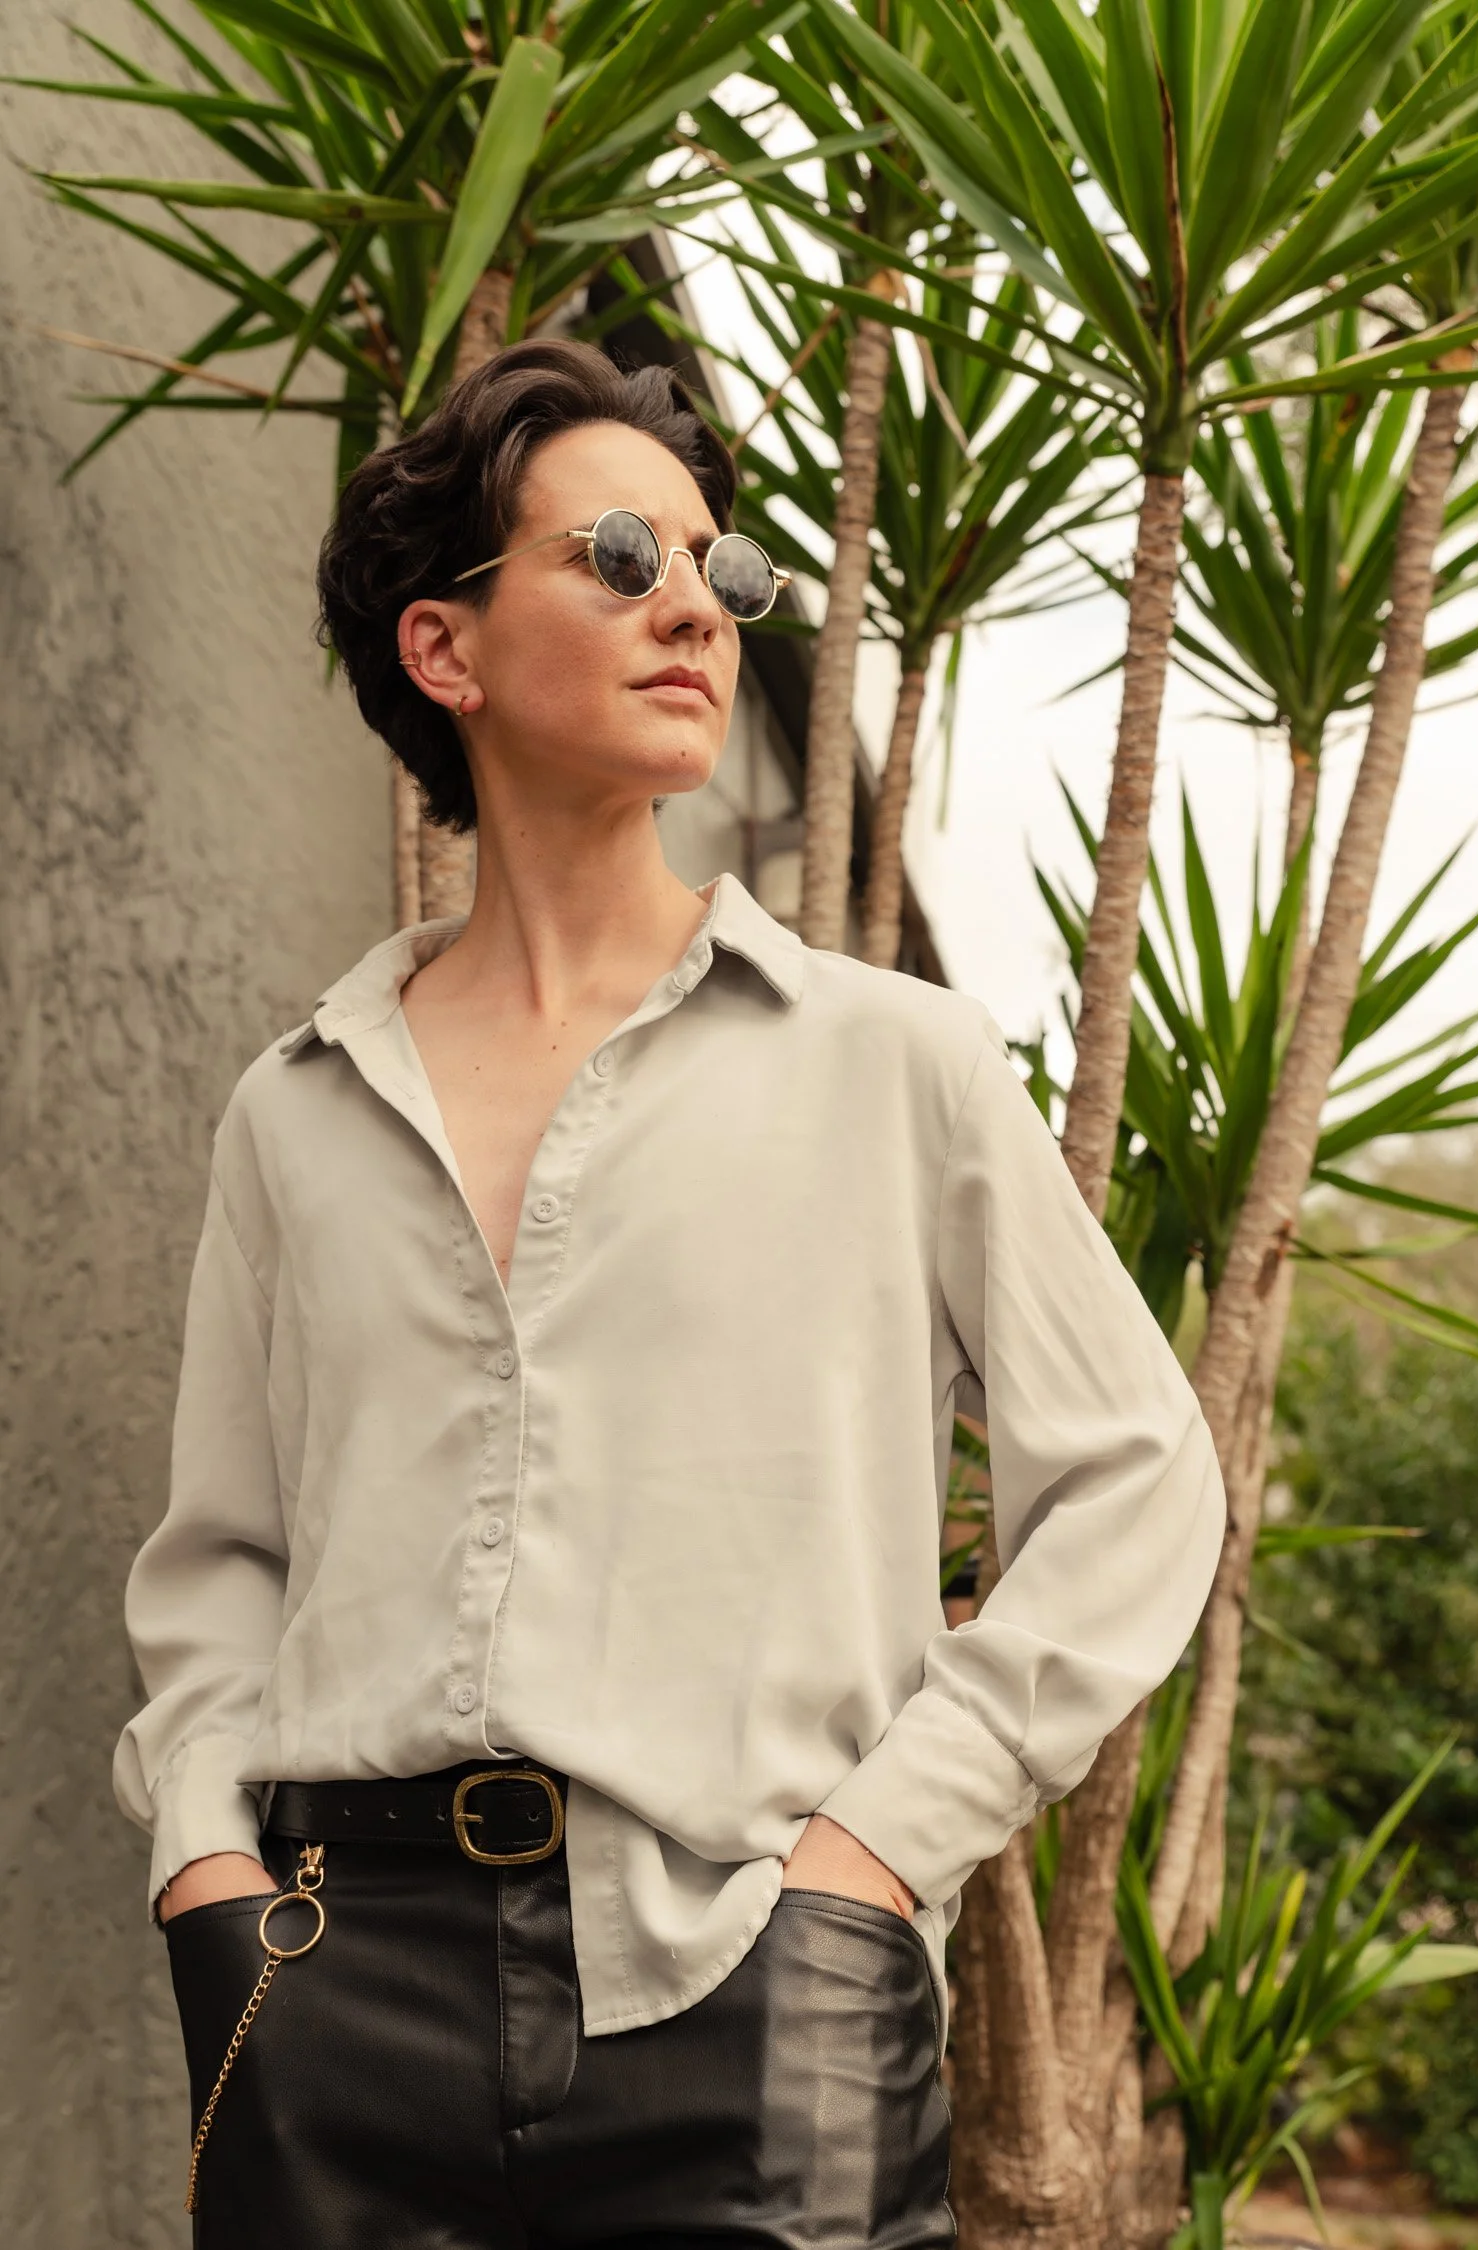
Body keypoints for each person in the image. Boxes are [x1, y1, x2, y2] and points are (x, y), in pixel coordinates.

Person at [115, 336, 1226, 2250]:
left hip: (755, 1983)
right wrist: (207, 1863)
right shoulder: (295, 1113)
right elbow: (225, 1554)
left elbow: (1141, 1482)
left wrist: (877, 1854)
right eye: (619, 556)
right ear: (443, 649)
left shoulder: (895, 1067)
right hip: (327, 1990)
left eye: (719, 569)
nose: (693, 610)